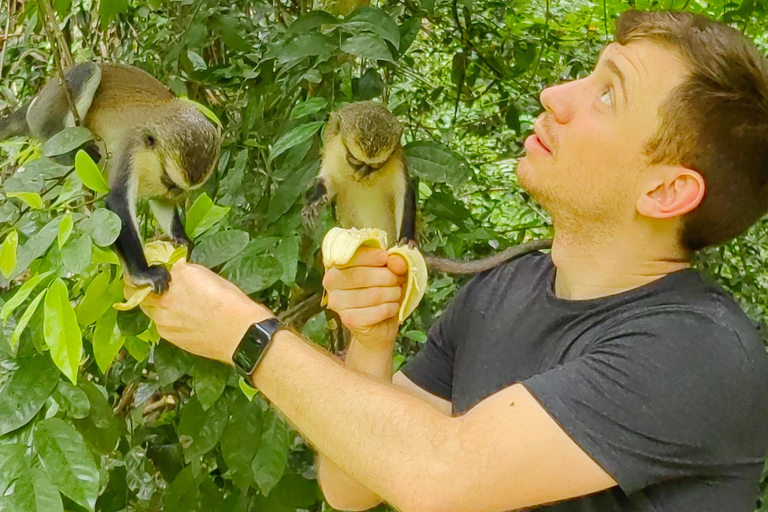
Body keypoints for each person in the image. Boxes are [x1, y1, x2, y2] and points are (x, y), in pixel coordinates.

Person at [132, 9, 768, 512]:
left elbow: (437, 474)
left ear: (665, 191)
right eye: (586, 71)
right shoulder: (503, 291)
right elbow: (352, 487)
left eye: (607, 95)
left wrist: (247, 336)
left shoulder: (699, 352)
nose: (555, 94)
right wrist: (372, 342)